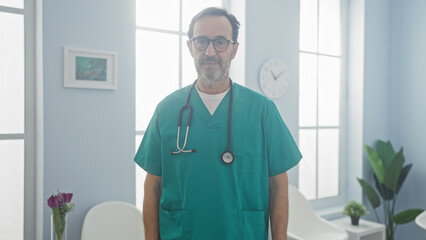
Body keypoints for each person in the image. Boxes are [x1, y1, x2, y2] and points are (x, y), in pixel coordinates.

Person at [135, 7, 302, 240]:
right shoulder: (166, 110)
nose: (210, 51)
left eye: (221, 42)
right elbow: (152, 186)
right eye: (201, 41)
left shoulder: (262, 111)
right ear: (190, 47)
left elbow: (278, 185)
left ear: (234, 50)